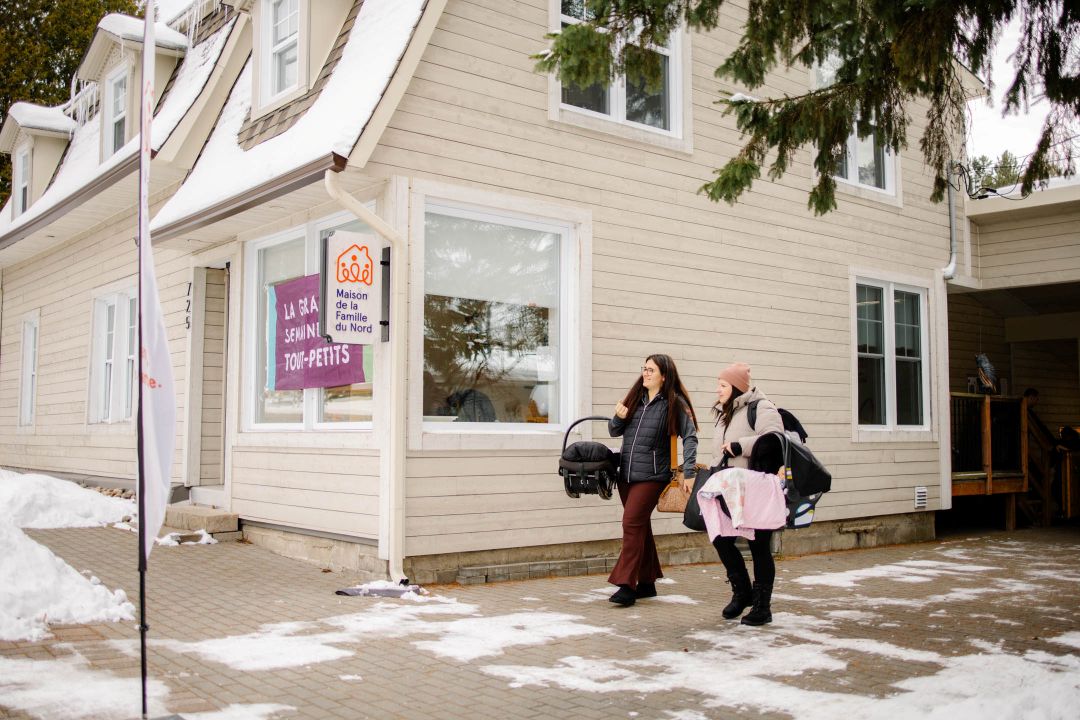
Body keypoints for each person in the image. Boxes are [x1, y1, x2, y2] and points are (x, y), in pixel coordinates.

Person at [607, 354, 698, 607]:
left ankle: (627, 584)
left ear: (664, 375)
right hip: (626, 474)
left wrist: (689, 471)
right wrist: (618, 417)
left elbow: (690, 437)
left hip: (653, 475)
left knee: (631, 522)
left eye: (651, 369)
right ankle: (646, 582)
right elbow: (614, 431)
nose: (645, 373)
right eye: (644, 368)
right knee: (640, 526)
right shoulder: (634, 399)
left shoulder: (674, 404)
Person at [708, 362, 784, 626]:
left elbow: (776, 439)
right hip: (728, 487)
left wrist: (741, 445)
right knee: (720, 537)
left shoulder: (760, 407)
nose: (717, 389)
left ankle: (763, 606)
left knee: (759, 545)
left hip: (755, 487)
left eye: (723, 385)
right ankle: (743, 592)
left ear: (737, 387)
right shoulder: (724, 412)